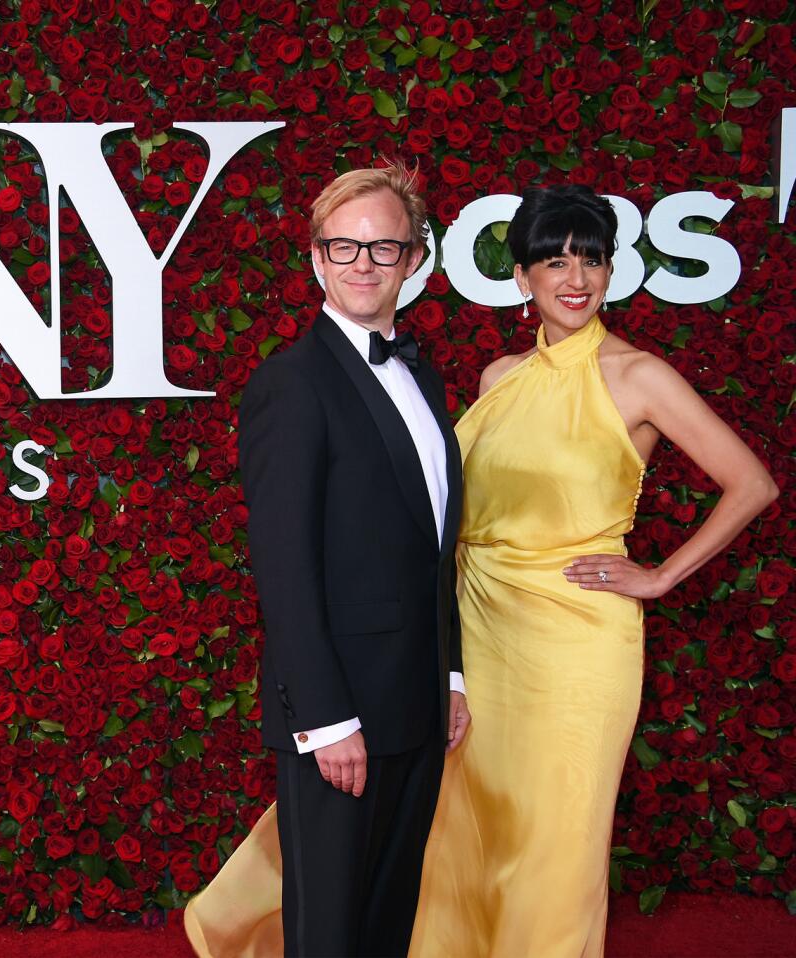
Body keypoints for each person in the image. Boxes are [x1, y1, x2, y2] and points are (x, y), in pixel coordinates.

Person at [407, 184, 778, 957]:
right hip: (481, 634)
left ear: (612, 271)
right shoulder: (497, 380)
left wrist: (661, 576)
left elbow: (753, 484)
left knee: (556, 848)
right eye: (553, 260)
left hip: (579, 645)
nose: (575, 277)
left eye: (592, 259)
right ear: (522, 281)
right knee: (472, 830)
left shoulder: (639, 375)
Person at [185, 162, 471, 958]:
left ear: (415, 261)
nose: (362, 265)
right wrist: (322, 717)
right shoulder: (292, 384)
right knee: (329, 935)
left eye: (384, 249)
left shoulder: (425, 377)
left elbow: (433, 545)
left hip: (418, 702)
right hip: (338, 710)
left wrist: (448, 674)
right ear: (314, 258)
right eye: (343, 247)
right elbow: (282, 566)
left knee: (386, 921)